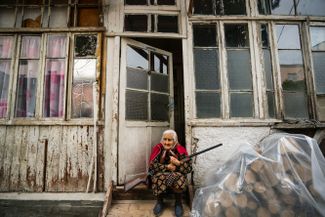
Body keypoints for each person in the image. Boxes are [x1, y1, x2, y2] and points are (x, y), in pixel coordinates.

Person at [148, 129, 192, 217]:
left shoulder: (180, 149)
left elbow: (188, 169)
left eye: (169, 140)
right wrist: (166, 167)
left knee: (179, 177)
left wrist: (179, 164)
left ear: (174, 141)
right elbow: (152, 166)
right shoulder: (158, 148)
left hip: (176, 175)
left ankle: (178, 203)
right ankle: (160, 202)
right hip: (161, 175)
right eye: (165, 139)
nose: (166, 142)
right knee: (157, 177)